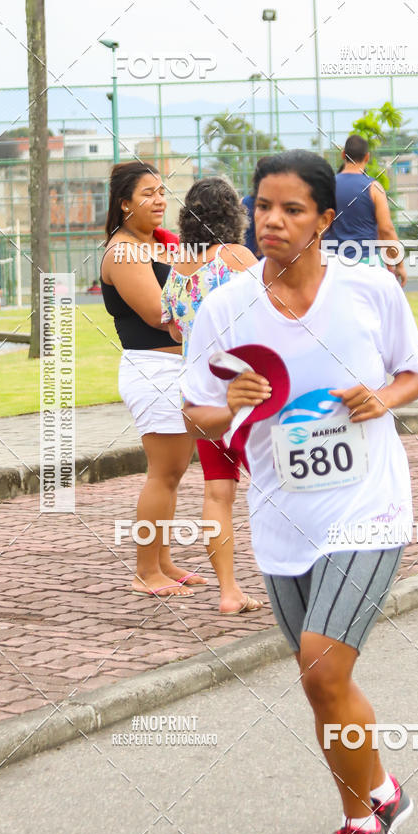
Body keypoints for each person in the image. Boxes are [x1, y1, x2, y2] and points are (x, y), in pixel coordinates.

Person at [180, 150, 418, 834]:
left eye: (292, 210)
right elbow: (194, 412)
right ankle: (380, 790)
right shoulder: (227, 307)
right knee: (322, 681)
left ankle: (361, 821)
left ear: (324, 219)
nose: (273, 221)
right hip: (284, 517)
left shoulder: (369, 289)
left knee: (321, 665)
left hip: (369, 507)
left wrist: (381, 396)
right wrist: (226, 401)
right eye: (263, 206)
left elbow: (416, 371)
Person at [100, 161, 206, 598]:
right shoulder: (123, 251)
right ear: (125, 204)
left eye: (162, 191)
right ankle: (146, 571)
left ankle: (162, 561)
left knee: (173, 471)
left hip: (177, 368)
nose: (160, 200)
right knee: (163, 473)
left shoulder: (159, 245)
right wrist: (208, 314)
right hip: (154, 370)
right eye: (148, 193)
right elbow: (157, 313)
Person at [159, 177, 263, 616]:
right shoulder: (237, 258)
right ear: (232, 214)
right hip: (251, 388)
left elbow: (171, 326)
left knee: (217, 492)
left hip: (204, 396)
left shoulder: (178, 267)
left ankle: (228, 591)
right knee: (280, 485)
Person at [330, 134, 407, 287]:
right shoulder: (374, 188)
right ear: (367, 157)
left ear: (343, 154)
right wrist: (400, 265)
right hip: (366, 264)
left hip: (332, 266)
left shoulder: (327, 186)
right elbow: (386, 229)